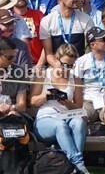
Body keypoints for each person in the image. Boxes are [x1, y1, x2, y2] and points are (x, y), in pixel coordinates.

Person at [30, 43, 90, 174]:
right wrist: (44, 96)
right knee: (60, 126)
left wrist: (68, 103)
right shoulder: (43, 75)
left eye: (70, 66)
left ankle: (73, 167)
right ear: (56, 60)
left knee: (79, 123)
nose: (66, 69)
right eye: (64, 64)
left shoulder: (76, 80)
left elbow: (79, 107)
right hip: (46, 118)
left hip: (66, 115)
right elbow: (32, 102)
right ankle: (79, 165)